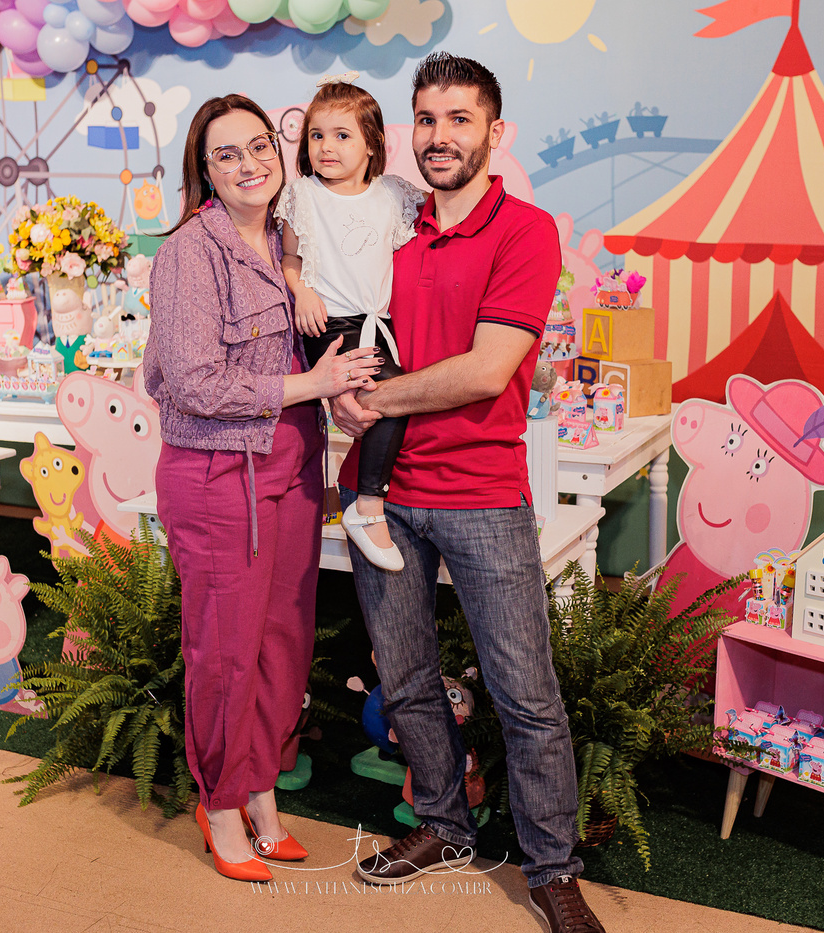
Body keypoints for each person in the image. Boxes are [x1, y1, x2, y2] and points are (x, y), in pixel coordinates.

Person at [331, 54, 607, 933]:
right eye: (426, 118)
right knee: (407, 676)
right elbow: (345, 326)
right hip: (379, 497)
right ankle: (445, 825)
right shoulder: (389, 225)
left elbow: (489, 370)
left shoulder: (525, 230)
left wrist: (379, 400)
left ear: (495, 132)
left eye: (459, 118)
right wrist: (337, 388)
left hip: (482, 494)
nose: (439, 135)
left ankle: (551, 868)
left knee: (525, 692)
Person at [146, 93, 381, 883]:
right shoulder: (191, 252)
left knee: (283, 643)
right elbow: (192, 381)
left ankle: (261, 790)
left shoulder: (290, 237)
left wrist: (337, 395)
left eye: (259, 147)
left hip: (295, 469)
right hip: (220, 477)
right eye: (227, 154)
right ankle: (219, 803)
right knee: (225, 650)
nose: (249, 164)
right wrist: (312, 384)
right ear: (204, 170)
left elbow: (321, 344)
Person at [274, 73, 424, 571]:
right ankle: (369, 504)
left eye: (342, 135)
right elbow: (290, 258)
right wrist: (303, 291)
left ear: (372, 143)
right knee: (390, 394)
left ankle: (366, 497)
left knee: (395, 395)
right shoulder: (303, 195)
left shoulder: (392, 195)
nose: (326, 147)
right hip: (331, 324)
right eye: (317, 135)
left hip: (377, 324)